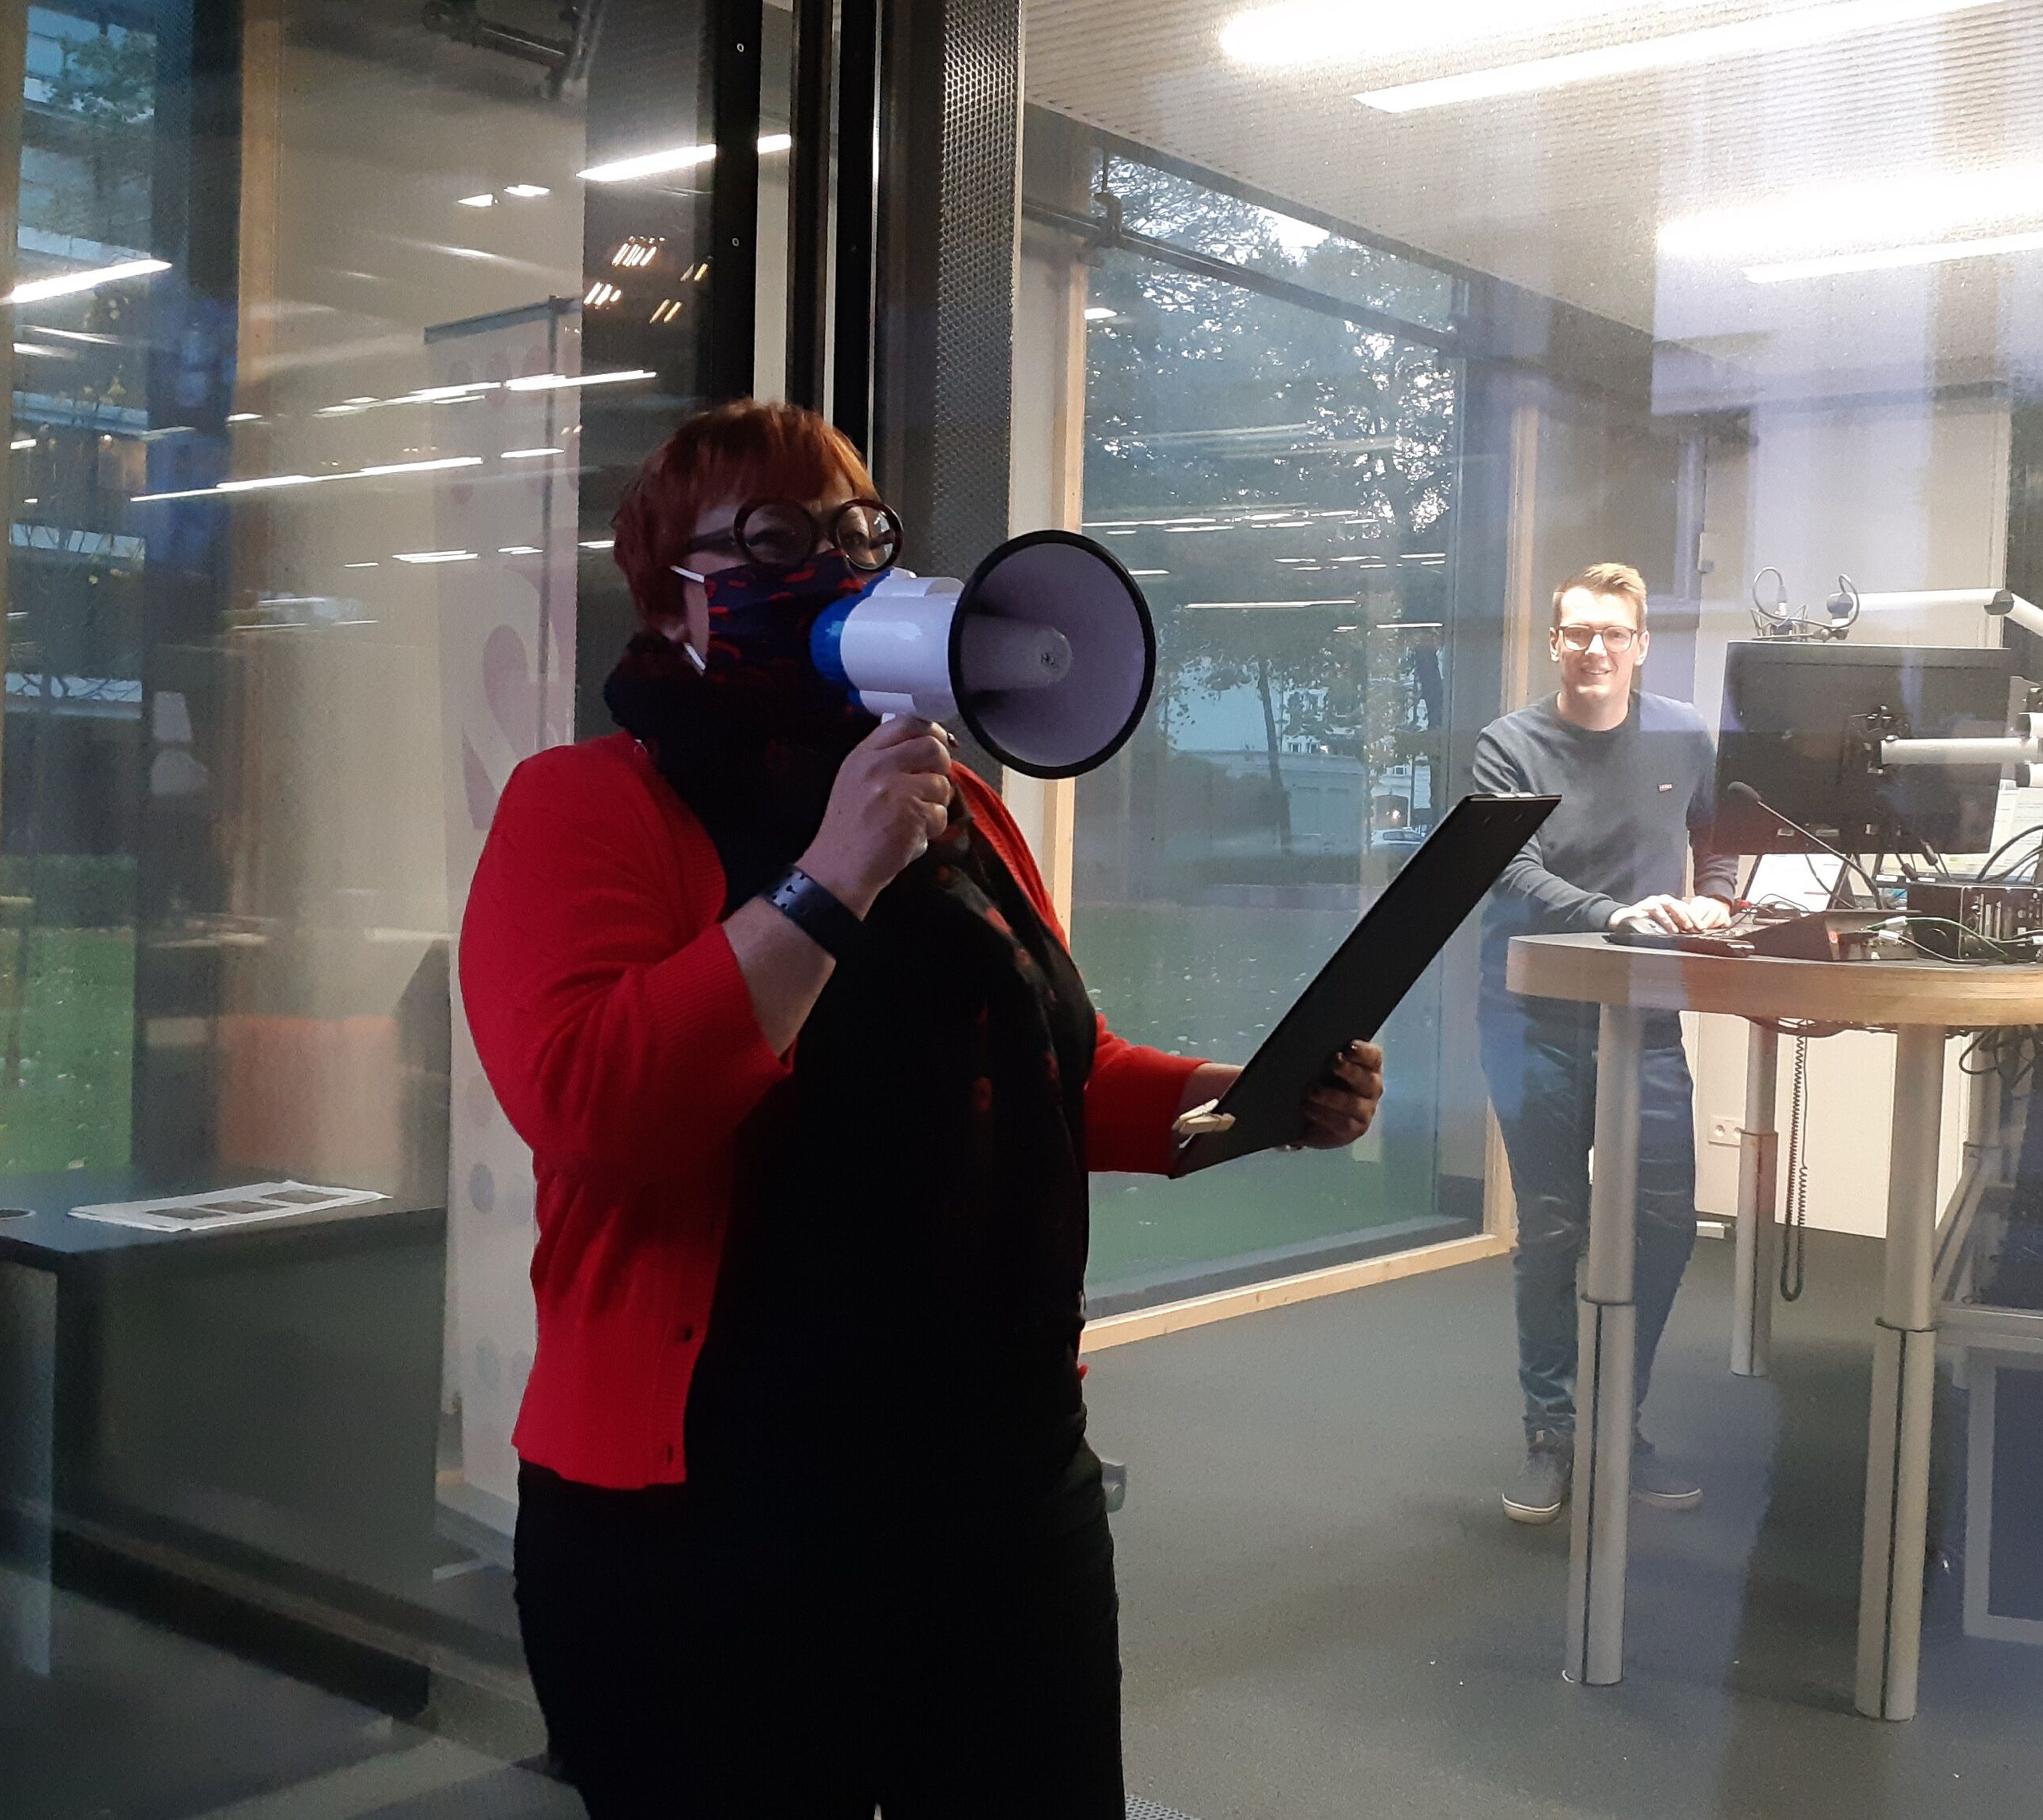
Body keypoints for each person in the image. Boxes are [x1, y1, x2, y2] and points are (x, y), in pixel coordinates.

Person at [458, 400, 1382, 1818]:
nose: (834, 563)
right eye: (776, 538)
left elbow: (1051, 1070)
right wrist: (830, 882)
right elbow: (595, 1107)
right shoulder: (588, 805)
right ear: (671, 591)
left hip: (999, 1489)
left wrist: (1249, 1103)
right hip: (715, 1525)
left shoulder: (953, 806)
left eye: (857, 532)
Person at [1472, 561, 1740, 1524]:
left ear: (1639, 645)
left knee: (1665, 1221)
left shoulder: (1683, 734)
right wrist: (1613, 913)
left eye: (1613, 633)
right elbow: (1510, 869)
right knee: (1553, 1225)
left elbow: (1721, 838)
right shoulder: (1509, 746)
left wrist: (1716, 897)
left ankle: (1616, 1420)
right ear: (1555, 642)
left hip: (1646, 1013)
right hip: (1532, 1016)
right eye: (1578, 632)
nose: (1595, 648)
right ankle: (1551, 1431)